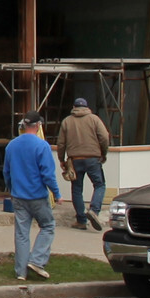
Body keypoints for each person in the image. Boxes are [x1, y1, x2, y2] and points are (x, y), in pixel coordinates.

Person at [4, 112, 60, 280]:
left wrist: (11, 189)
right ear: (38, 125)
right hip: (37, 196)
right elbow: (48, 174)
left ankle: (21, 272)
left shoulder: (12, 146)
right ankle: (37, 260)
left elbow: (6, 172)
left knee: (21, 234)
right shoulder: (42, 146)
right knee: (48, 226)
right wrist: (57, 193)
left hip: (18, 196)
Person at [58, 97, 112, 231]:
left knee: (77, 189)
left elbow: (61, 143)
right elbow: (104, 137)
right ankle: (94, 210)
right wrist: (103, 153)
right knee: (99, 184)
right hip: (93, 158)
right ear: (87, 107)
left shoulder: (67, 121)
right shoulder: (94, 119)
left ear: (73, 107)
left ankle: (81, 221)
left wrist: (61, 159)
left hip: (75, 159)